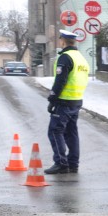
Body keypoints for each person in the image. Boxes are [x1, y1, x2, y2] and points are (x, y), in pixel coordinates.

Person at [45, 29, 91, 174]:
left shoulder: (65, 57)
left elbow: (60, 80)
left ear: (63, 41)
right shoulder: (81, 58)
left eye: (60, 40)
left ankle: (60, 163)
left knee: (54, 131)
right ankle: (73, 164)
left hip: (64, 101)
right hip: (76, 100)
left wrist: (52, 98)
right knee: (71, 133)